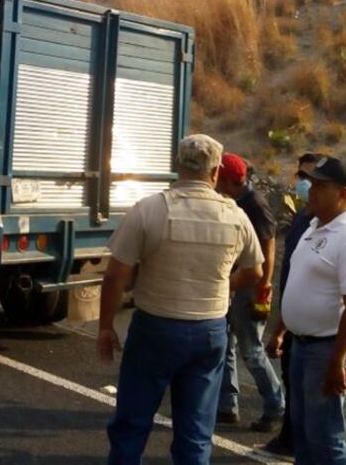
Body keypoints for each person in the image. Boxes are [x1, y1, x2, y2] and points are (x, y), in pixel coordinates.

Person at [97, 134, 265, 465]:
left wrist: (105, 326)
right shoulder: (234, 215)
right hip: (209, 331)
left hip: (155, 328)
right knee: (195, 436)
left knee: (131, 428)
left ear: (177, 166)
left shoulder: (150, 209)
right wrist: (223, 285)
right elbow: (257, 272)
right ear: (216, 172)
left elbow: (116, 273)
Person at [279, 157, 346, 465]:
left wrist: (337, 360)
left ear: (343, 194)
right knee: (304, 436)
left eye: (321, 186)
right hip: (302, 347)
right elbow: (301, 283)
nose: (311, 191)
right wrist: (281, 328)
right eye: (311, 184)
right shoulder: (314, 226)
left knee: (326, 441)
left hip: (326, 350)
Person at [215, 153, 285, 432]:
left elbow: (268, 245)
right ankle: (227, 405)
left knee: (252, 350)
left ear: (227, 179)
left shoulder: (254, 204)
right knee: (226, 345)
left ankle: (275, 405)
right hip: (238, 282)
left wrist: (263, 287)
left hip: (250, 287)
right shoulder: (236, 200)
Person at [259, 153, 322, 460]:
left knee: (309, 399)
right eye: (300, 176)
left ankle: (297, 441)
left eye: (310, 178)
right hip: (293, 318)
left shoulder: (325, 226)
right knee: (291, 382)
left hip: (310, 327)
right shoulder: (301, 218)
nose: (303, 183)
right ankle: (290, 439)